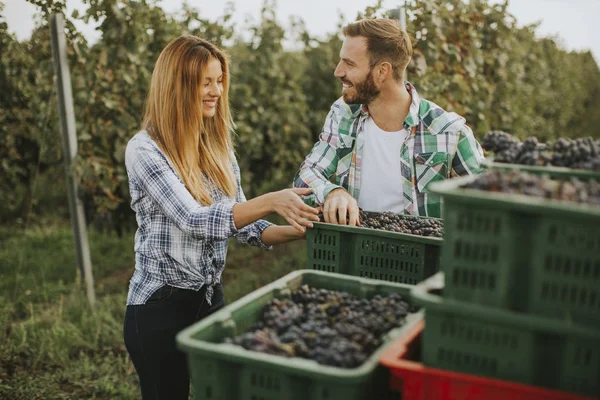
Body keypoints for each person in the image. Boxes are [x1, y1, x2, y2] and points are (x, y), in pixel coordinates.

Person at [123, 35, 320, 400]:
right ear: (179, 87)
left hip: (210, 299)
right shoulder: (145, 149)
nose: (216, 91)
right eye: (205, 82)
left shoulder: (217, 148)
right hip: (159, 308)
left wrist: (306, 227)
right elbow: (194, 220)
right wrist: (271, 199)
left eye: (219, 80)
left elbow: (247, 228)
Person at [293, 18, 484, 224]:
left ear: (382, 71)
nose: (338, 71)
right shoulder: (343, 114)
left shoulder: (448, 132)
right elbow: (307, 174)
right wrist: (332, 192)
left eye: (349, 63)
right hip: (357, 252)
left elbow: (491, 204)